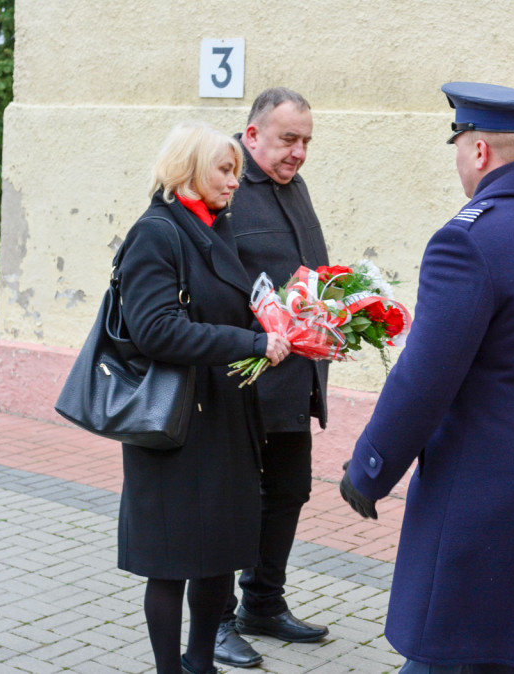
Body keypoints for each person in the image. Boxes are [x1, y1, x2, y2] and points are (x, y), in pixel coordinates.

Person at [340, 82, 514, 673]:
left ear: (480, 151)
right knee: (495, 652)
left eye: (459, 147)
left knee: (443, 652)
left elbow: (424, 378)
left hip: (481, 480)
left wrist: (370, 468)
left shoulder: (468, 240)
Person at [114, 120, 290, 674]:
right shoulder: (157, 232)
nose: (235, 181)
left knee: (219, 555)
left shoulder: (213, 226)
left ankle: (200, 664)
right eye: (225, 169)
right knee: (171, 562)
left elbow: (228, 308)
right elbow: (155, 330)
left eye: (236, 171)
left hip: (223, 415)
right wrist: (250, 342)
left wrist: (285, 323)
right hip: (175, 422)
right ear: (188, 168)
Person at [215, 86, 331, 668]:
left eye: (306, 141)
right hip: (239, 382)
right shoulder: (223, 182)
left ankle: (262, 603)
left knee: (289, 490)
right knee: (229, 502)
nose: (299, 152)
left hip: (293, 379)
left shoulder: (295, 186)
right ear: (253, 134)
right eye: (289, 139)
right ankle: (214, 622)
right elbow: (210, 286)